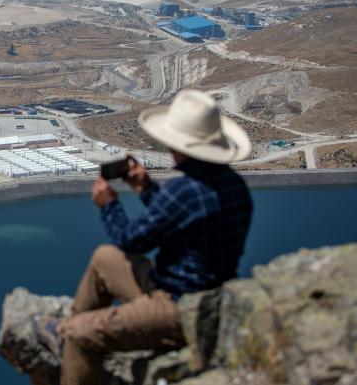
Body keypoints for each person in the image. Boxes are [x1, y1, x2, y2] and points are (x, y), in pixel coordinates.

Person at [37, 89, 254, 385]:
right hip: (202, 292)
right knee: (104, 258)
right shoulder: (233, 186)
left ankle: (70, 335)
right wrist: (145, 188)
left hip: (180, 308)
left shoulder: (186, 190)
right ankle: (68, 329)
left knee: (80, 334)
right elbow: (179, 221)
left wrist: (108, 205)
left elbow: (132, 241)